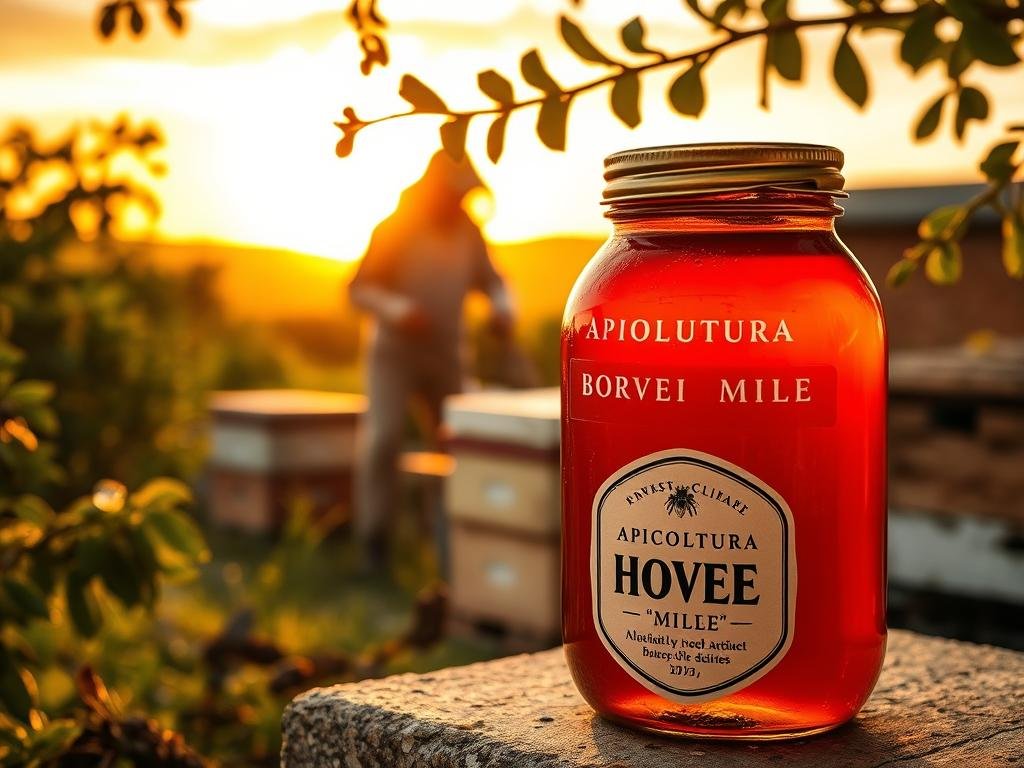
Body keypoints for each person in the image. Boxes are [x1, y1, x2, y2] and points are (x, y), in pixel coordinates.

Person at [348, 151, 513, 569]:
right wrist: (397, 309)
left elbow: (492, 279)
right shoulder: (396, 225)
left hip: (447, 354)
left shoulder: (468, 232)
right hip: (394, 355)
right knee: (383, 439)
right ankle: (375, 540)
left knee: (453, 446)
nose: (458, 204)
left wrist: (501, 305)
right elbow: (359, 288)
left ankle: (446, 540)